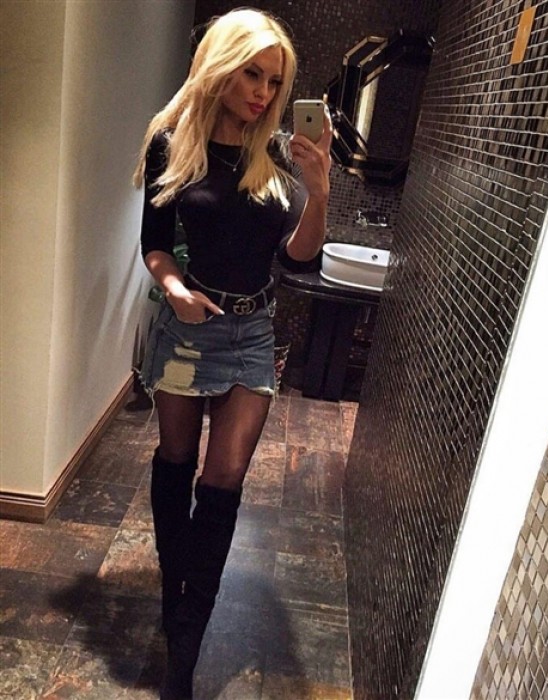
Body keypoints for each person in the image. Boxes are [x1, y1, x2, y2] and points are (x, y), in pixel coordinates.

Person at [132, 8, 331, 699]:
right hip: (188, 328)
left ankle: (185, 648)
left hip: (252, 335)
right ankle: (174, 592)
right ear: (221, 67)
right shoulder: (171, 143)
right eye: (252, 74)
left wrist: (320, 192)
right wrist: (174, 287)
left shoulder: (274, 154)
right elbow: (154, 244)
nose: (262, 92)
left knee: (223, 481)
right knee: (175, 461)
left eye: (274, 82)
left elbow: (300, 258)